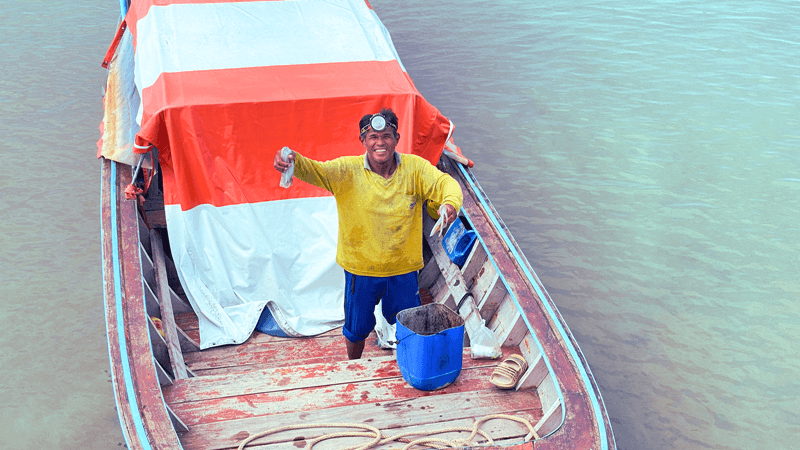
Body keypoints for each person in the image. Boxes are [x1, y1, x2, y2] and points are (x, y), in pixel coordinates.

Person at [273, 108, 463, 359]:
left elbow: (445, 183)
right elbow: (313, 170)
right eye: (373, 137)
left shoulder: (415, 168)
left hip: (403, 269)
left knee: (410, 326)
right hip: (360, 270)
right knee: (356, 330)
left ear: (396, 138)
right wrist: (291, 160)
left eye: (386, 136)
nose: (380, 143)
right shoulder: (346, 170)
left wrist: (449, 204)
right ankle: (354, 366)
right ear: (363, 141)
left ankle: (409, 364)